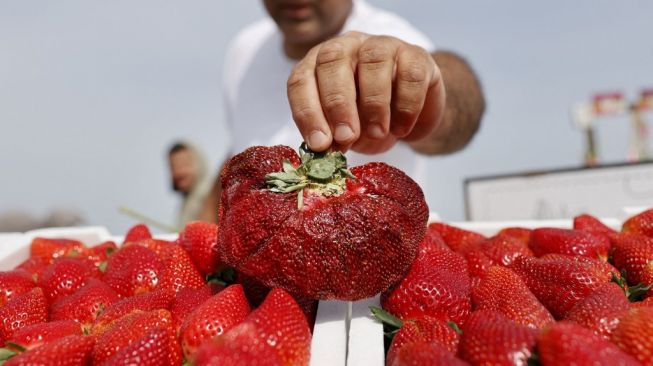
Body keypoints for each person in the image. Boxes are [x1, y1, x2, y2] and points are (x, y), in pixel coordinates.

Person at [200, 0, 485, 222]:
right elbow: (241, 153)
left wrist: (425, 91)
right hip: (268, 280)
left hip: (372, 282)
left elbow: (458, 109)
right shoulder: (245, 50)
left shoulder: (391, 36)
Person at [168, 142, 213, 227]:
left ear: (199, 164)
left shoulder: (210, 197)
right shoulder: (187, 204)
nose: (179, 172)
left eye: (184, 165)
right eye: (174, 167)